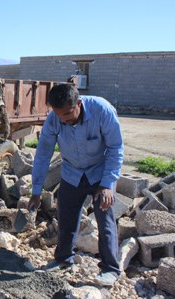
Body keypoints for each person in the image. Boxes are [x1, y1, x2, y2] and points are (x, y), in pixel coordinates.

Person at [27, 84, 123, 287]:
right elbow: (43, 155)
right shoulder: (55, 119)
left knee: (105, 219)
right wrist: (36, 191)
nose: (64, 119)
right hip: (72, 172)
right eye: (59, 114)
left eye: (68, 113)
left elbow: (116, 148)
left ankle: (110, 270)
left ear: (78, 103)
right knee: (66, 217)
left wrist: (107, 184)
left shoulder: (102, 110)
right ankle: (63, 260)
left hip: (100, 172)